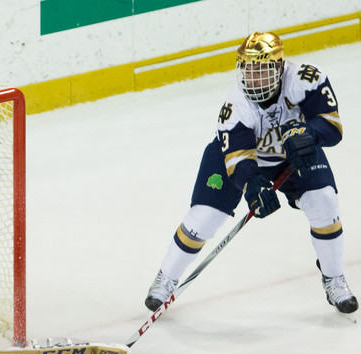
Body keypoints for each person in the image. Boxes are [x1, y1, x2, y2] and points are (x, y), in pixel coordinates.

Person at [144, 31, 357, 316]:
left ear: (279, 68)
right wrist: (253, 186)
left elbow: (332, 126)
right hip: (242, 159)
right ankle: (166, 277)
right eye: (248, 70)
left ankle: (333, 278)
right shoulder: (235, 108)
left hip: (293, 155)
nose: (253, 78)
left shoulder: (307, 80)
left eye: (261, 70)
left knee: (325, 202)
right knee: (204, 218)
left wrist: (309, 134)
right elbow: (239, 162)